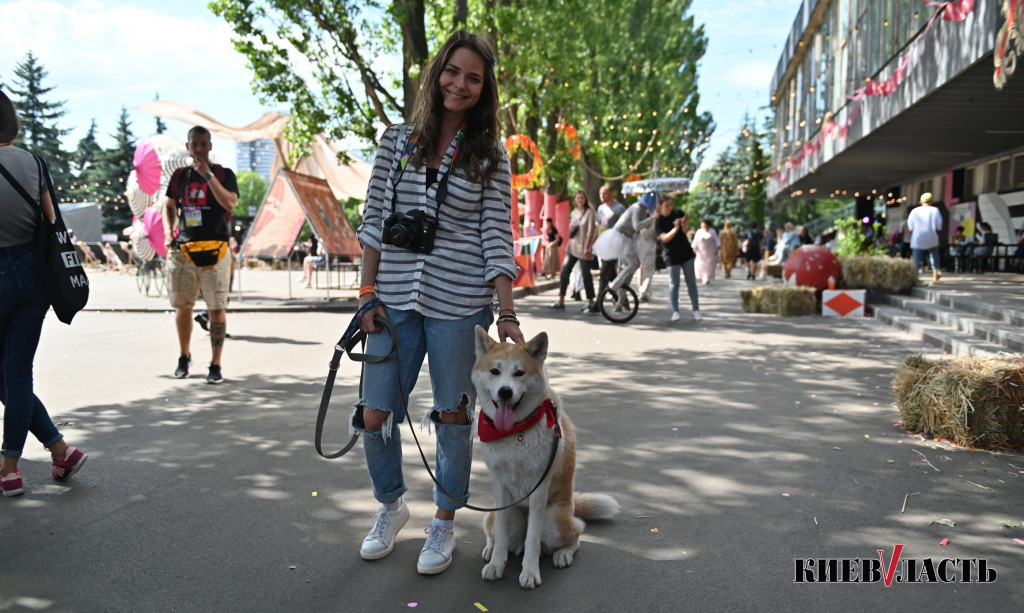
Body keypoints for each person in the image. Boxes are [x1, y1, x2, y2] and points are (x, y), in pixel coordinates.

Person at [353, 30, 524, 576]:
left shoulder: (490, 155)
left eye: (474, 77)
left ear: (485, 87)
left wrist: (508, 312)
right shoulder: (395, 140)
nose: (461, 84)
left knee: (453, 419)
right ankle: (391, 506)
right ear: (437, 73)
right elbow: (375, 220)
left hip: (460, 302)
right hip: (394, 299)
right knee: (374, 412)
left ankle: (444, 522)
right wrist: (365, 293)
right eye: (453, 71)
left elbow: (497, 235)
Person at [0, 90, 88, 496]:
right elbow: (52, 221)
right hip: (35, 276)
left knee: (9, 378)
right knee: (16, 375)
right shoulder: (34, 163)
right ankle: (57, 451)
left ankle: (9, 469)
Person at [163, 126, 239, 384]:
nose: (198, 149)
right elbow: (170, 205)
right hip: (184, 250)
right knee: (183, 307)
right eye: (194, 144)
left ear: (210, 146)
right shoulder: (179, 176)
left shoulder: (223, 174)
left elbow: (230, 203)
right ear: (188, 146)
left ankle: (215, 363)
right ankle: (184, 356)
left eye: (203, 144)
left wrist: (207, 176)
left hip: (217, 250)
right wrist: (168, 232)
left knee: (216, 308)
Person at [592, 191, 657, 306]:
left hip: (626, 238)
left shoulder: (643, 209)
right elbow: (637, 226)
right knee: (634, 263)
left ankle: (622, 294)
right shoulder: (638, 207)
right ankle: (616, 285)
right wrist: (652, 218)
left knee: (633, 264)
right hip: (620, 238)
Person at [654, 195, 701, 322]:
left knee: (691, 282)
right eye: (666, 205)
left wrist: (683, 224)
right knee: (674, 284)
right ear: (661, 206)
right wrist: (675, 228)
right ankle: (675, 311)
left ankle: (696, 309)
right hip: (671, 256)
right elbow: (664, 238)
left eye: (671, 204)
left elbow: (685, 231)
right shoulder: (658, 221)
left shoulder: (678, 213)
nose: (670, 208)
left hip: (686, 253)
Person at [549, 190, 597, 312]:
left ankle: (591, 302)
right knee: (565, 272)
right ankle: (561, 301)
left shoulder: (589, 212)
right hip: (573, 247)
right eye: (578, 198)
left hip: (584, 248)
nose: (580, 200)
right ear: (575, 200)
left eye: (582, 198)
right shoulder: (574, 212)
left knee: (586, 275)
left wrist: (587, 247)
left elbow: (591, 231)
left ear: (585, 199)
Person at [906, 192, 943, 281]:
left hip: (918, 239)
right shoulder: (935, 210)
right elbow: (939, 225)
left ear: (921, 202)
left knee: (917, 259)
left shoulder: (915, 211)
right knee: (934, 256)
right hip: (932, 238)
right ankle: (936, 272)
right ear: (931, 201)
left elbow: (910, 226)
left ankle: (914, 276)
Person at [691, 218, 720, 285]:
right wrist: (694, 249)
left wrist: (717, 249)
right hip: (701, 252)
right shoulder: (699, 231)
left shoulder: (712, 231)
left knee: (709, 265)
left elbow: (716, 241)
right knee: (701, 264)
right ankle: (703, 277)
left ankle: (706, 278)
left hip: (710, 251)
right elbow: (695, 241)